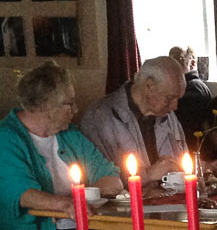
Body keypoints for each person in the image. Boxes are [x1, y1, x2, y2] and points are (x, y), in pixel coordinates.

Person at [0, 61, 122, 230]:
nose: (76, 110)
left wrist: (80, 200)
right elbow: (23, 195)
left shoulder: (70, 134)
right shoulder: (3, 139)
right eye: (69, 104)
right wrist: (64, 204)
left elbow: (112, 179)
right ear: (44, 106)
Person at [79, 56, 187, 191]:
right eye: (170, 98)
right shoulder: (100, 119)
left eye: (178, 98)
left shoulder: (167, 115)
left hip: (172, 205)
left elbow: (183, 162)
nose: (175, 106)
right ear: (149, 86)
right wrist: (147, 174)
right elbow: (99, 183)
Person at [169, 45, 215, 141]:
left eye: (179, 59)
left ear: (192, 63)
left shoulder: (195, 87)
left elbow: (186, 122)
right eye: (170, 60)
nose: (173, 64)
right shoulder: (186, 86)